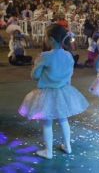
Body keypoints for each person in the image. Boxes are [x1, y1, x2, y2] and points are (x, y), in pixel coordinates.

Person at [18, 24, 89, 159]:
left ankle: (48, 151)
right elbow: (69, 75)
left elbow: (35, 76)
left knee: (47, 122)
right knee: (63, 119)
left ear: (50, 39)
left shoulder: (45, 56)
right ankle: (68, 146)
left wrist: (36, 68)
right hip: (63, 91)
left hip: (46, 94)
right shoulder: (68, 55)